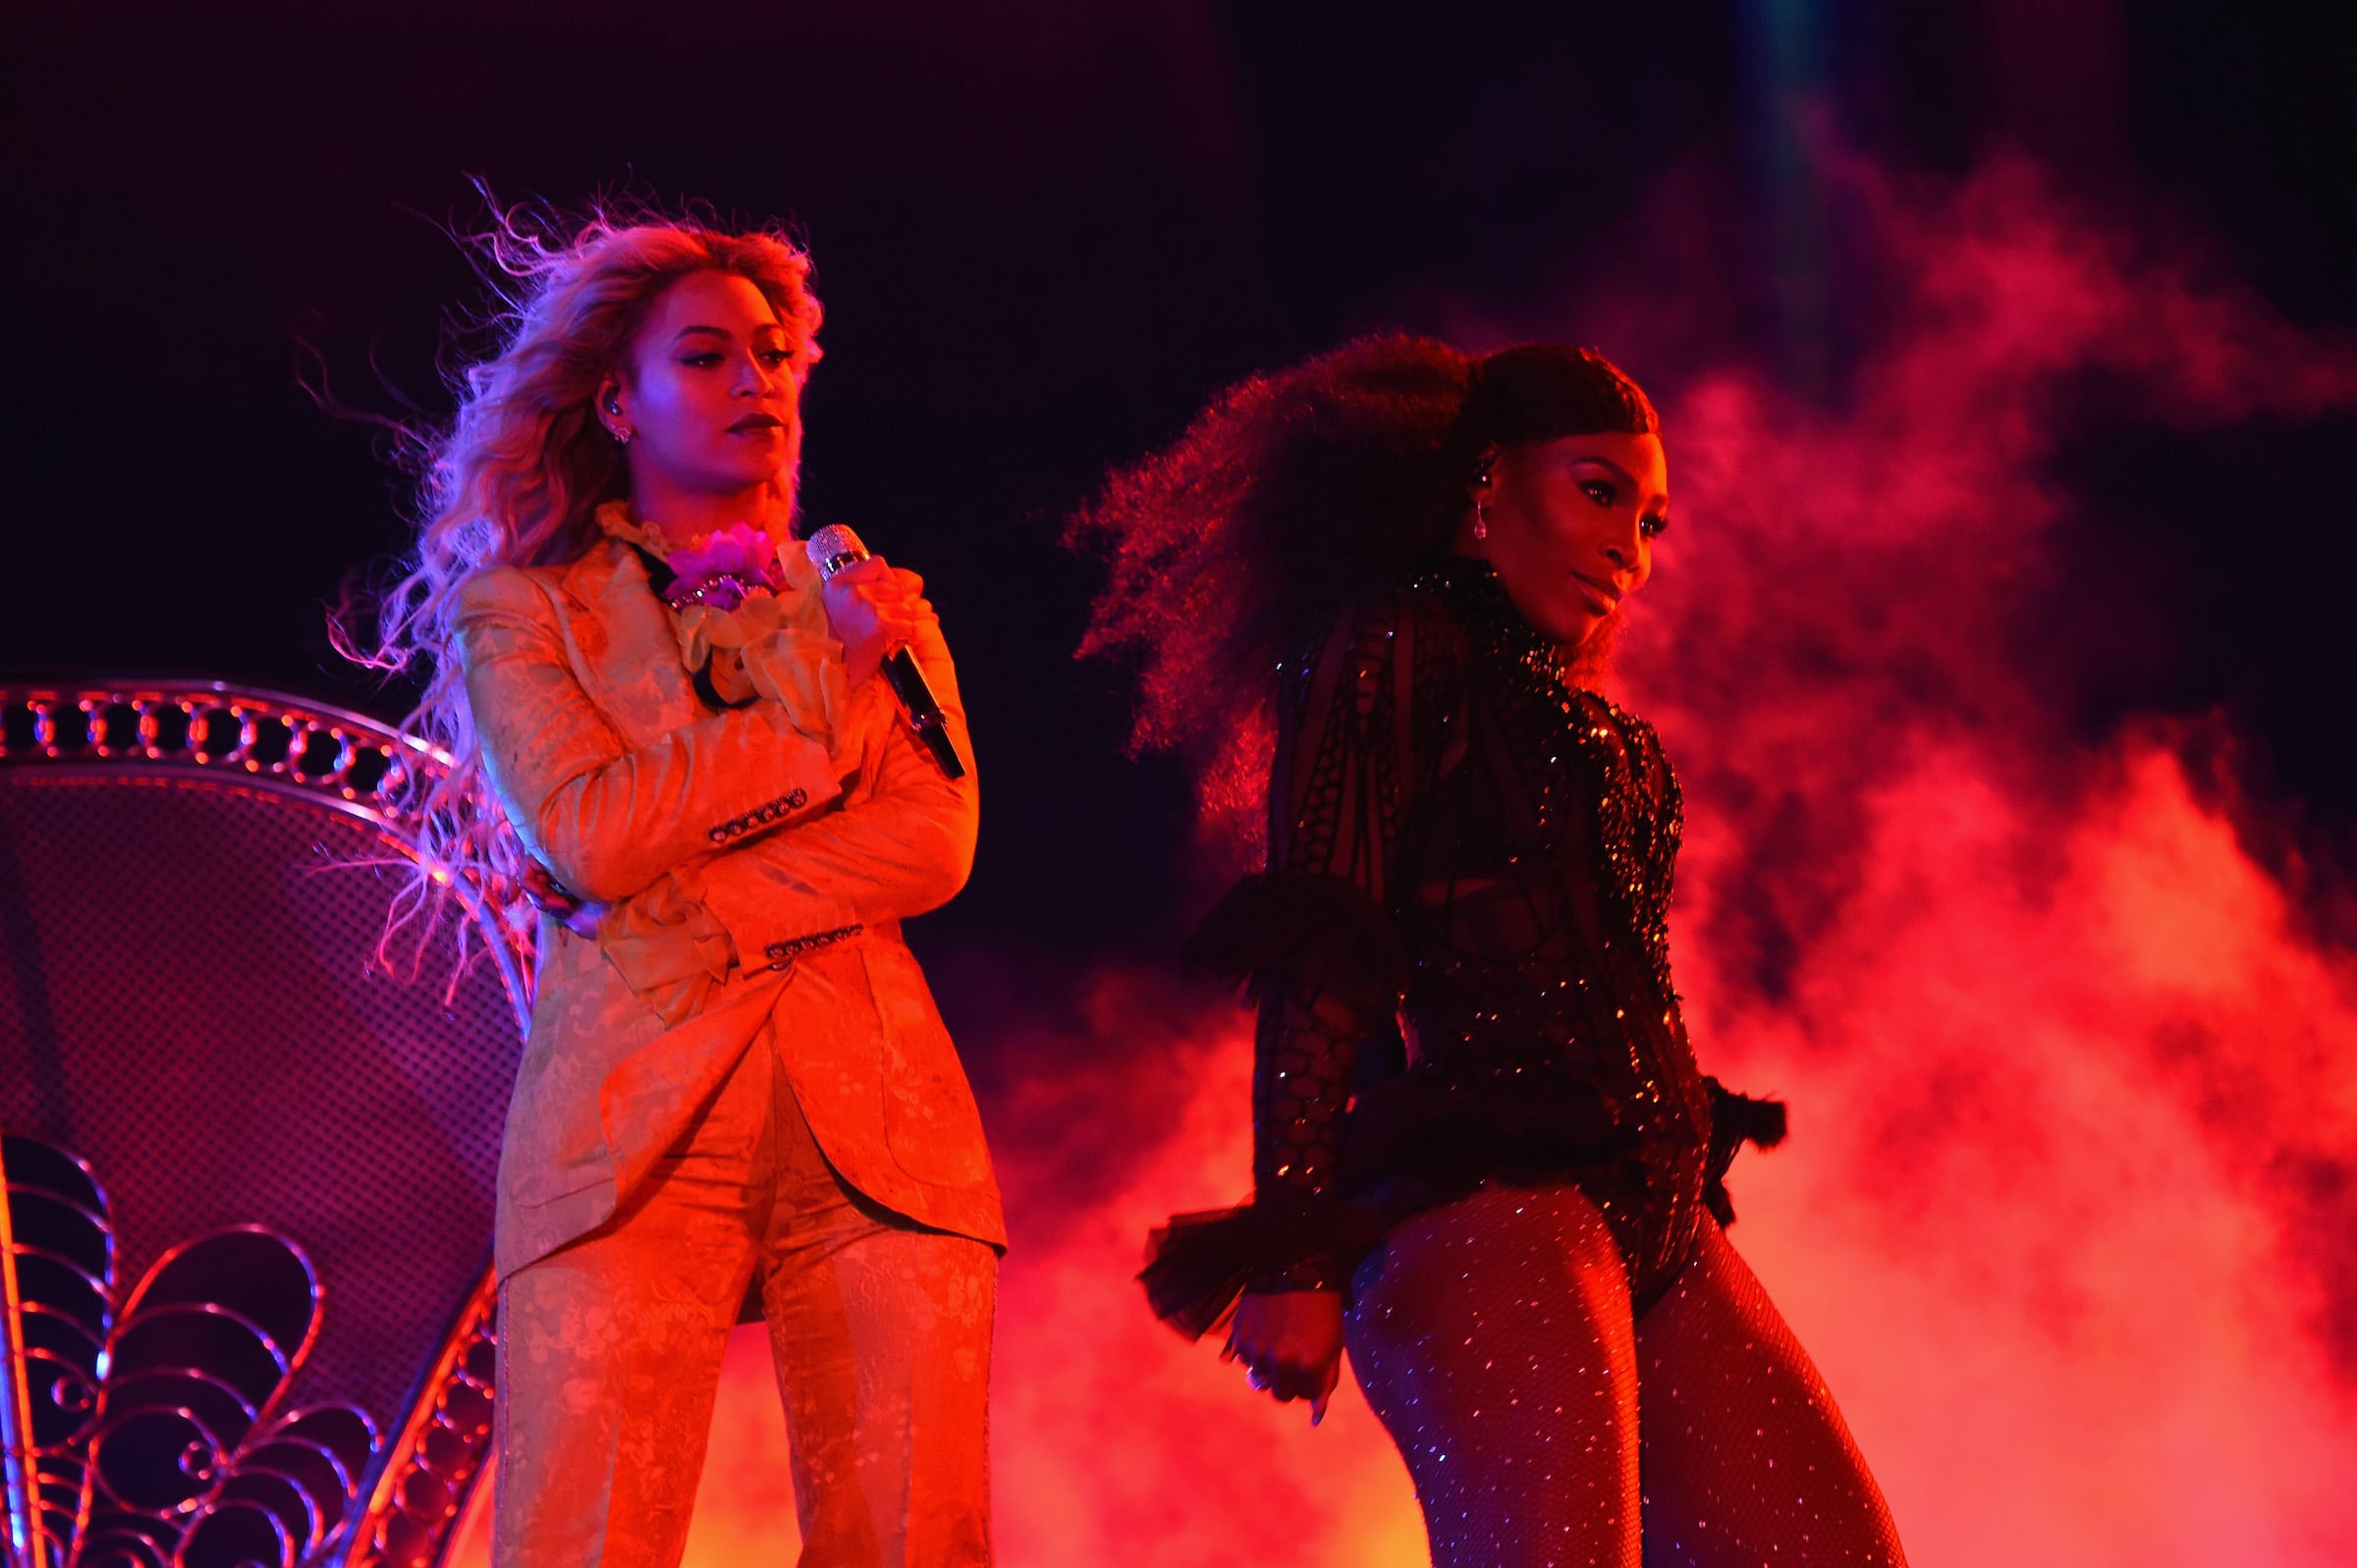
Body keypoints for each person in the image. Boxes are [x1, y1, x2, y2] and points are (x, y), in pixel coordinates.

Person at [1072, 337, 1908, 1566]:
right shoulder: (1390, 643)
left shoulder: (1574, 713)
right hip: (1489, 1203)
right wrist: (1293, 1245)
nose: (1630, 547)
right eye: (1597, 491)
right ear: (1484, 485)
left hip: (1658, 1212)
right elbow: (1323, 943)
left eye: (1650, 521)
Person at [344, 208, 1001, 1567]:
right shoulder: (524, 611)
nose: (755, 380)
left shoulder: (866, 597)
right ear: (615, 400)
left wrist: (696, 911)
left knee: (913, 1542)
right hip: (625, 1133)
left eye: (771, 354)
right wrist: (819, 707)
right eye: (706, 357)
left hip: (876, 1122)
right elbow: (590, 833)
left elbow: (932, 840)